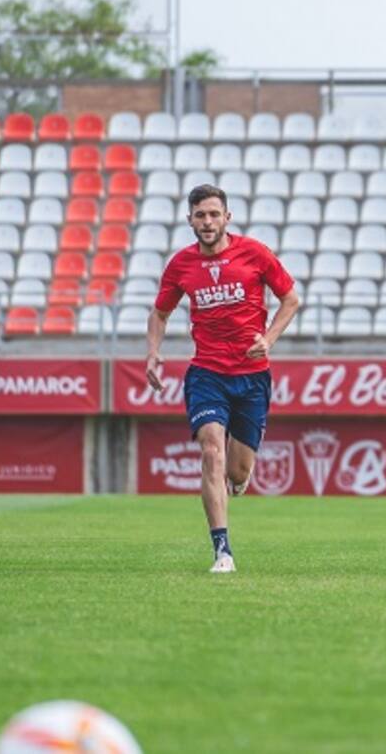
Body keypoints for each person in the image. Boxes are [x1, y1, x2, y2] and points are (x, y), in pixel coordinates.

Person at [145, 184, 300, 573]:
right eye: (200, 215)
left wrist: (269, 339)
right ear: (190, 220)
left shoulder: (254, 253)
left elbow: (291, 299)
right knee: (211, 449)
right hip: (207, 372)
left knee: (237, 470)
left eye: (214, 214)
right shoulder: (181, 265)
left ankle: (239, 478)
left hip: (251, 377)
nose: (208, 221)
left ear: (227, 217)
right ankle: (223, 551)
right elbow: (160, 313)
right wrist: (152, 352)